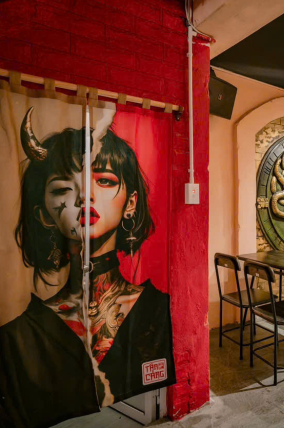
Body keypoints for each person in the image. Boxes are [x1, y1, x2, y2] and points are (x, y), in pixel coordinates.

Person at [0, 108, 176, 428]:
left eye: (104, 180)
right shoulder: (18, 339)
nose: (85, 195)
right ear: (43, 214)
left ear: (131, 202)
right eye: (62, 188)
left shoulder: (159, 310)